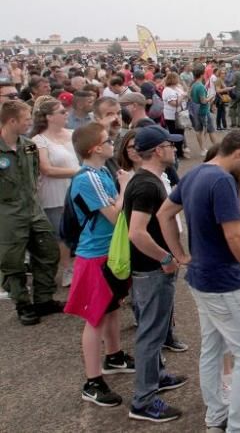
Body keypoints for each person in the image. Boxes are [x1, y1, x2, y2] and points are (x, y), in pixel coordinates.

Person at [158, 129, 240, 433]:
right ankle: (239, 425)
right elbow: (233, 236)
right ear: (239, 152)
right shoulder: (222, 180)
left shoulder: (196, 173)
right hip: (223, 281)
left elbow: (164, 214)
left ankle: (217, 417)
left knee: (212, 349)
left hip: (200, 278)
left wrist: (181, 255)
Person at [64, 122, 134, 406]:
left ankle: (114, 355)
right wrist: (125, 186)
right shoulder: (87, 178)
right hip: (95, 256)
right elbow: (115, 216)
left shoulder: (101, 171)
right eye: (107, 140)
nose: (112, 144)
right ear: (95, 148)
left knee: (111, 308)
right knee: (95, 319)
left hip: (109, 253)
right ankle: (92, 382)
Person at [123, 125, 188, 422]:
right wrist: (165, 257)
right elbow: (136, 232)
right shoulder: (147, 185)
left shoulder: (146, 180)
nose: (174, 149)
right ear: (158, 150)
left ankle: (156, 377)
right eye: (169, 145)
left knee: (156, 330)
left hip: (150, 269)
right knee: (150, 334)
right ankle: (143, 401)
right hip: (151, 269)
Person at [0, 100, 63, 325]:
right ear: (12, 120)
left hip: (33, 210)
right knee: (12, 262)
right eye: (26, 119)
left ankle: (44, 299)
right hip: (7, 215)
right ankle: (23, 304)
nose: (30, 123)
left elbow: (34, 176)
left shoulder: (28, 146)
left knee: (48, 252)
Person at [30, 99, 80, 288]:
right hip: (55, 192)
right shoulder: (39, 140)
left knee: (80, 229)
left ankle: (82, 266)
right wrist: (79, 172)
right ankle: (67, 269)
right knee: (61, 233)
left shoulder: (72, 134)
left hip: (76, 189)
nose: (66, 114)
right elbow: (46, 169)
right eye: (61, 112)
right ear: (49, 117)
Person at [189, 65, 218, 153]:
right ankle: (217, 149)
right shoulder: (200, 86)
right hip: (203, 111)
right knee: (211, 130)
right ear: (202, 74)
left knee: (198, 130)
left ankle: (202, 149)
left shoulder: (193, 85)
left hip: (195, 111)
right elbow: (203, 101)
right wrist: (211, 97)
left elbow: (191, 97)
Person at [161, 72, 187, 160]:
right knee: (175, 134)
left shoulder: (177, 87)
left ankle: (180, 152)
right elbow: (173, 103)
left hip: (179, 115)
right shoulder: (167, 90)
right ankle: (176, 153)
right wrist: (182, 97)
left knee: (181, 133)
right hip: (171, 116)